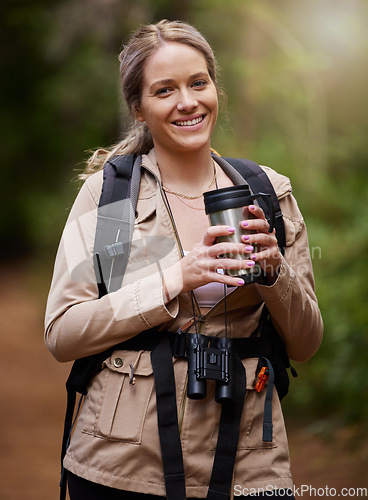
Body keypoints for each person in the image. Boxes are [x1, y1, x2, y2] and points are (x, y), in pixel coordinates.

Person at [45, 19, 323, 500]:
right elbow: (63, 332)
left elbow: (306, 343)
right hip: (123, 462)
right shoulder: (114, 199)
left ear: (215, 88)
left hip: (251, 466)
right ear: (138, 108)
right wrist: (173, 279)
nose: (187, 101)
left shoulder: (266, 193)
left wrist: (276, 273)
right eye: (164, 90)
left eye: (199, 83)